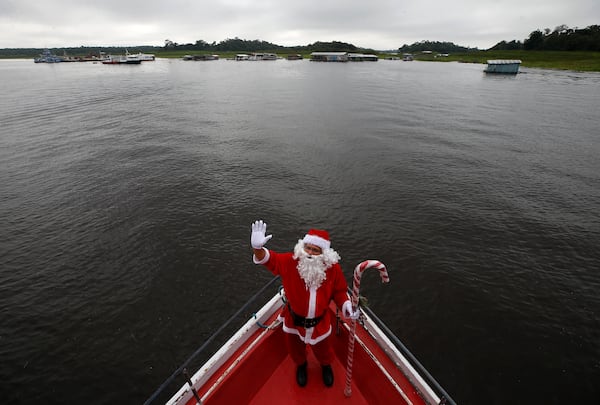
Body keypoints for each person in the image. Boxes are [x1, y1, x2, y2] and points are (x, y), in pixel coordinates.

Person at [250, 220, 359, 388]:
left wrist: (345, 305)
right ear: (302, 246)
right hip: (294, 320)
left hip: (320, 324)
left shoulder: (332, 269)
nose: (310, 253)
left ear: (323, 253)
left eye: (315, 250)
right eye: (308, 248)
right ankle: (301, 366)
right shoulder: (289, 262)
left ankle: (325, 365)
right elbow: (267, 259)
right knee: (295, 348)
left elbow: (339, 291)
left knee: (324, 349)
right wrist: (257, 248)